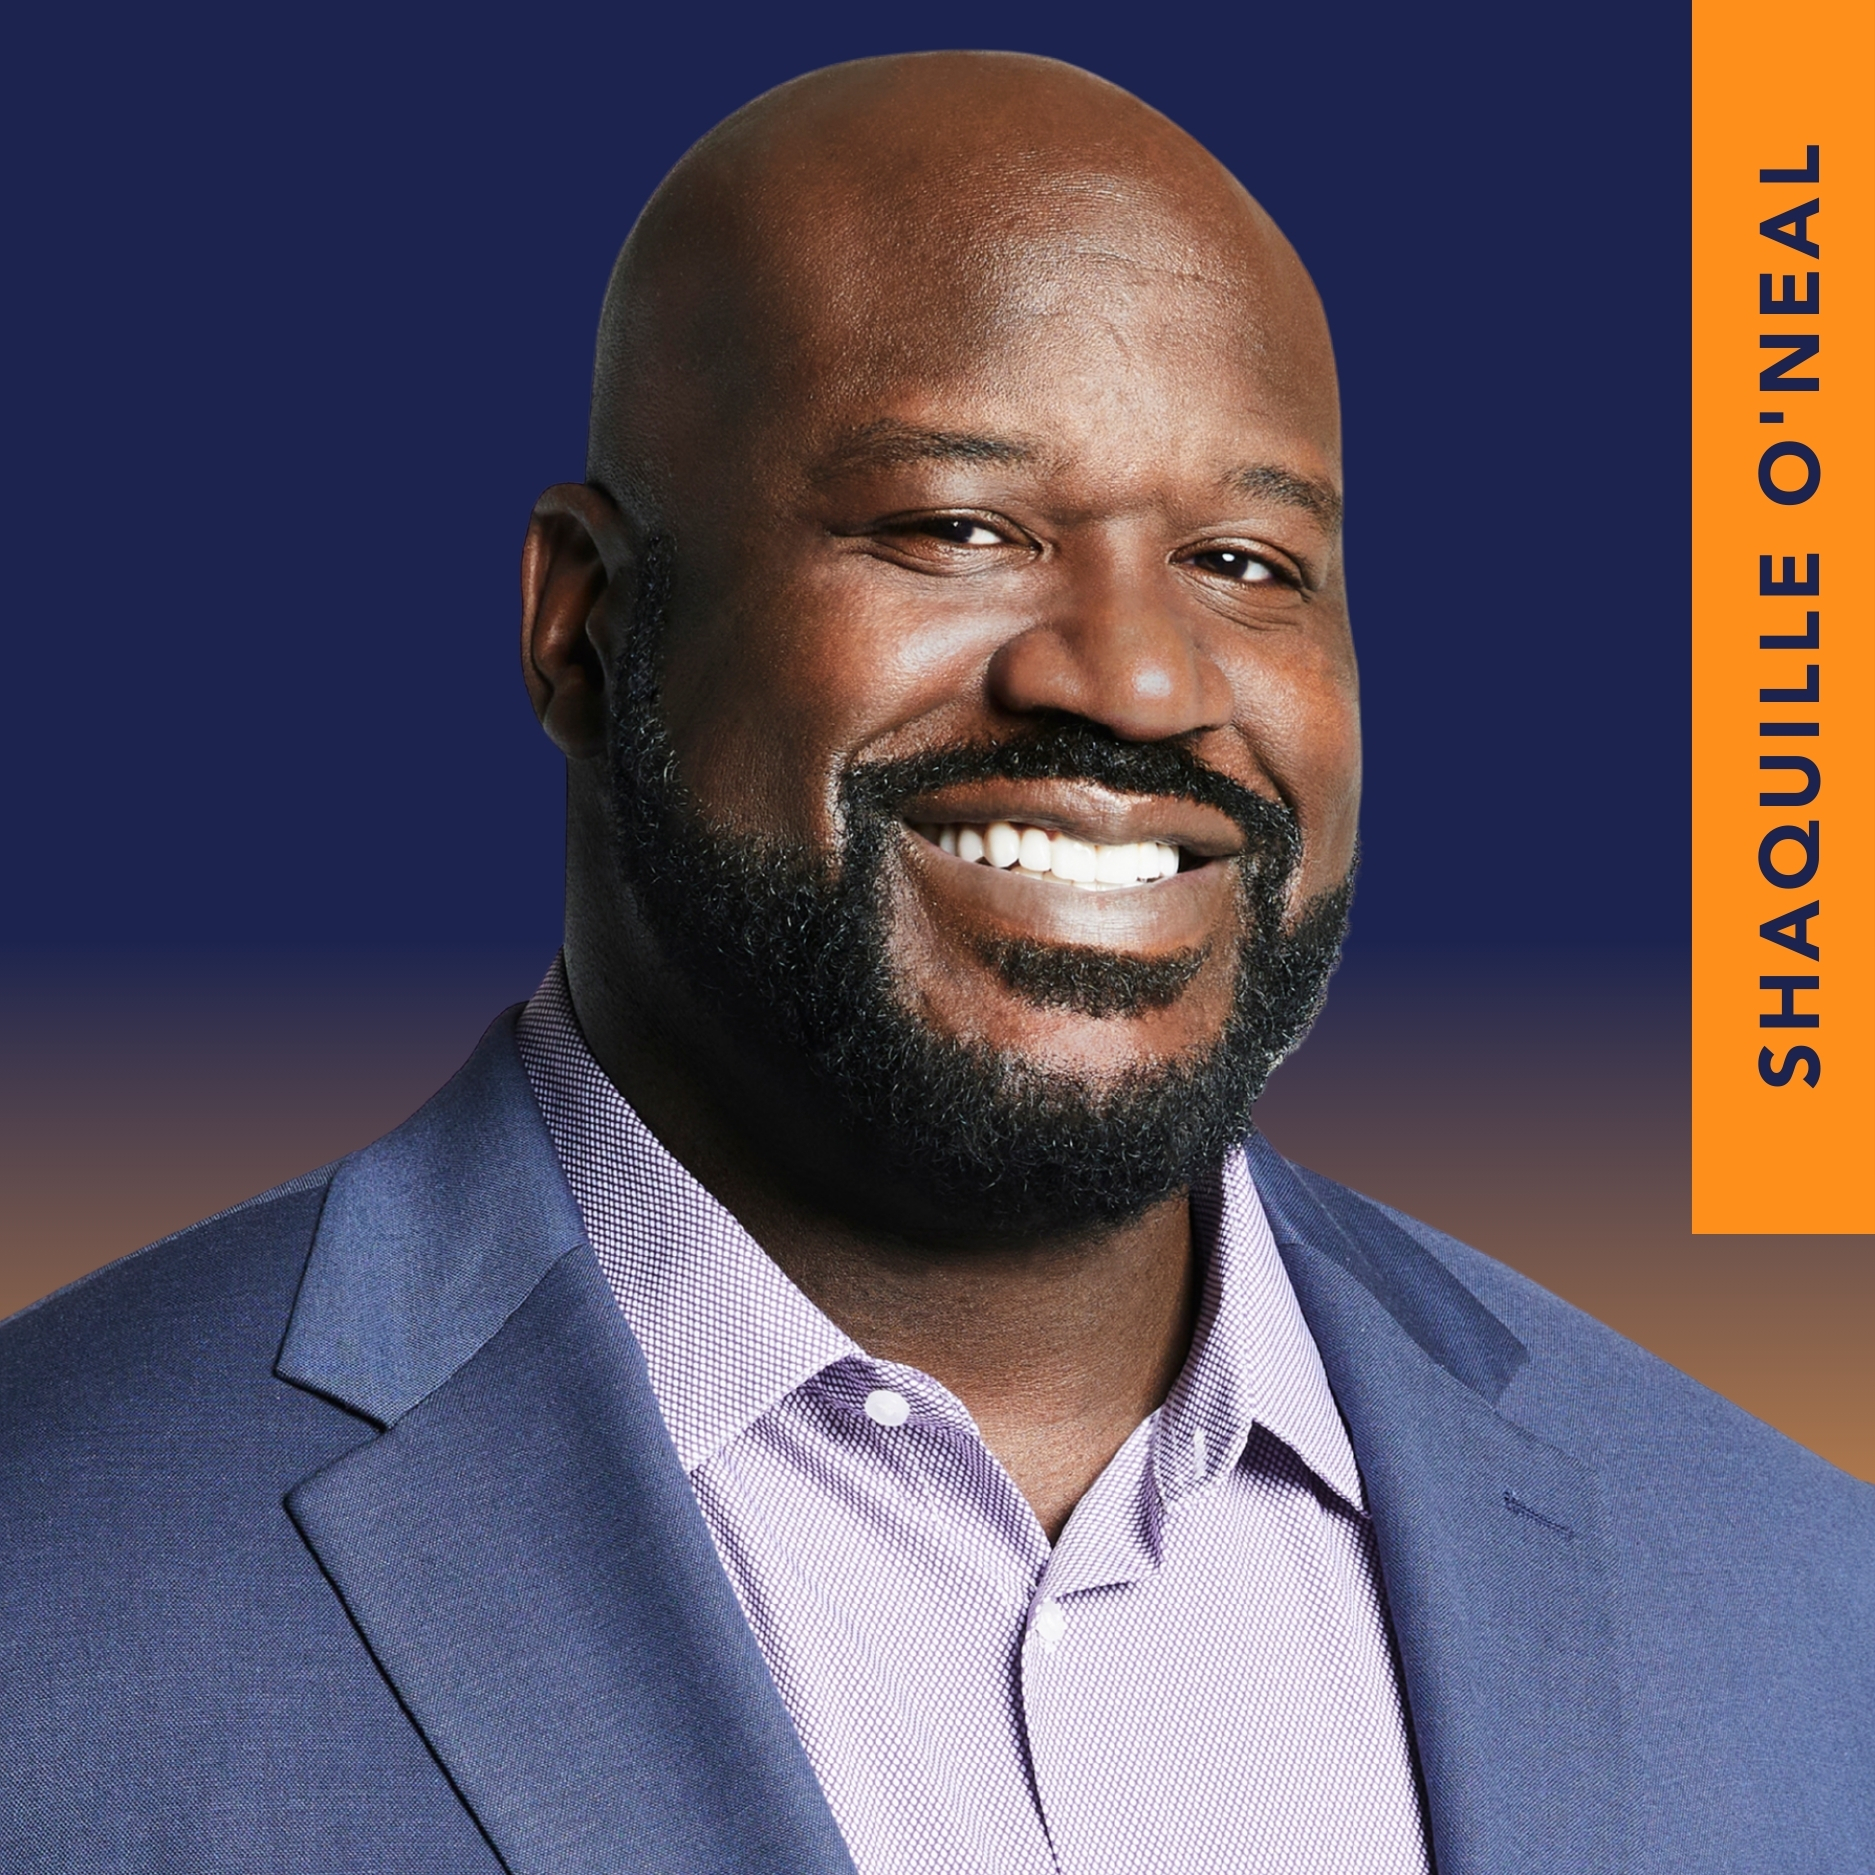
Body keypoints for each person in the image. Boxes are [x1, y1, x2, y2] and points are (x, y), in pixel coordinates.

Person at [0, 49, 1867, 1875]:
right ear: (585, 626)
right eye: (956, 528)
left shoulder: (1794, 1593)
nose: (1137, 679)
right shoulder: (54, 1586)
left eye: (1244, 562)